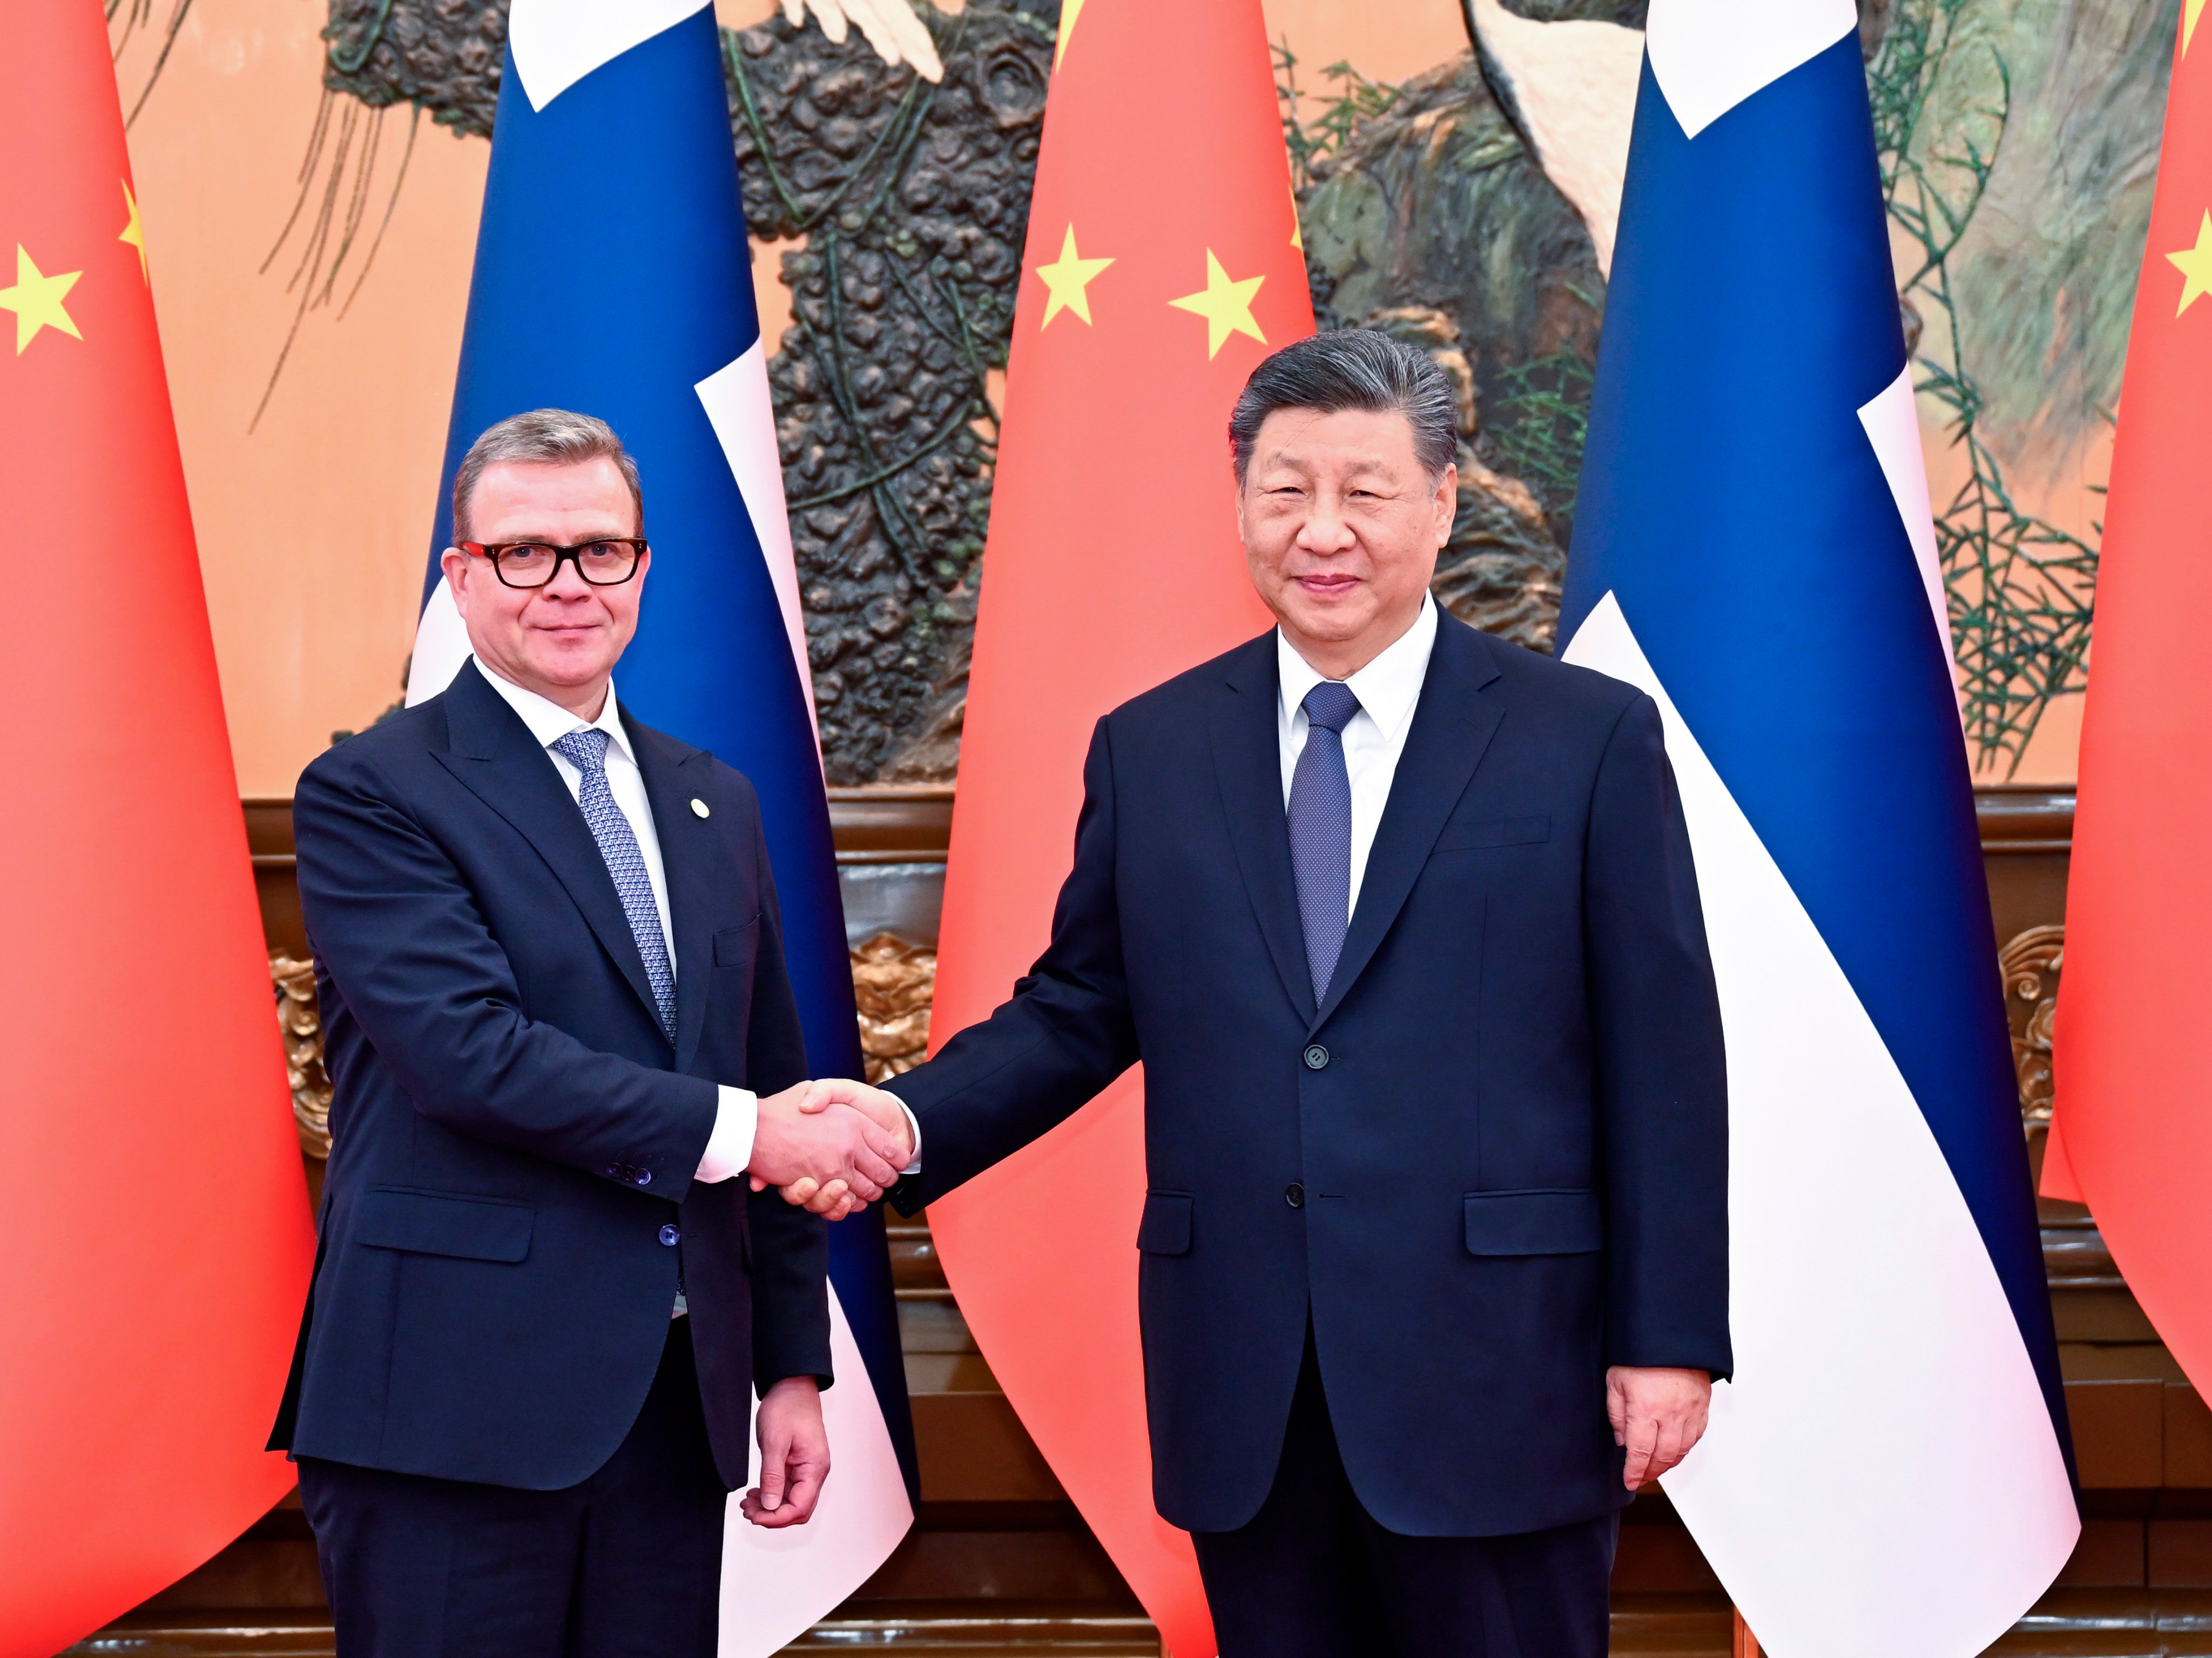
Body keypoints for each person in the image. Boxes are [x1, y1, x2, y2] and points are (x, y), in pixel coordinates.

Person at [798, 332, 1732, 1656]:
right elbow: (1079, 1005)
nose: (1323, 530)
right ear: (1239, 500)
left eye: (1365, 489)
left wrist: (1668, 1335)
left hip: (1500, 1369)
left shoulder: (1581, 739)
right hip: (1247, 1379)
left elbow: (1664, 1060)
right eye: (1285, 489)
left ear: (1442, 500)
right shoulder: (1155, 746)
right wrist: (901, 1126)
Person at [268, 409, 907, 1657]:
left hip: (672, 1412)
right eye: (523, 553)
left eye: (600, 549)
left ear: (643, 568)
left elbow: (764, 1066)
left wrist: (787, 1364)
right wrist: (750, 1131)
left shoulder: (712, 796)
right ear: (461, 577)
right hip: (450, 1415)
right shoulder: (371, 790)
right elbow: (468, 1054)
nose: (567, 583)